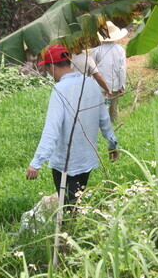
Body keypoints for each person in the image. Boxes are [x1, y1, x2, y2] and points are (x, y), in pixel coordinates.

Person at [27, 44, 119, 210]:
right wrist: (113, 144)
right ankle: (76, 231)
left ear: (52, 67)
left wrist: (36, 162)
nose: (48, 73)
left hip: (65, 164)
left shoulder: (60, 89)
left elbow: (51, 129)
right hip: (87, 160)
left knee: (68, 209)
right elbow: (104, 120)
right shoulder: (90, 84)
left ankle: (67, 234)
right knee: (76, 202)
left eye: (47, 69)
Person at [91, 22, 128, 122]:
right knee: (113, 110)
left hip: (99, 85)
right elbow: (122, 69)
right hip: (114, 85)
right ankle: (114, 127)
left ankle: (99, 129)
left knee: (99, 110)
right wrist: (122, 86)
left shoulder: (96, 50)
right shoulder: (120, 50)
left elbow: (91, 67)